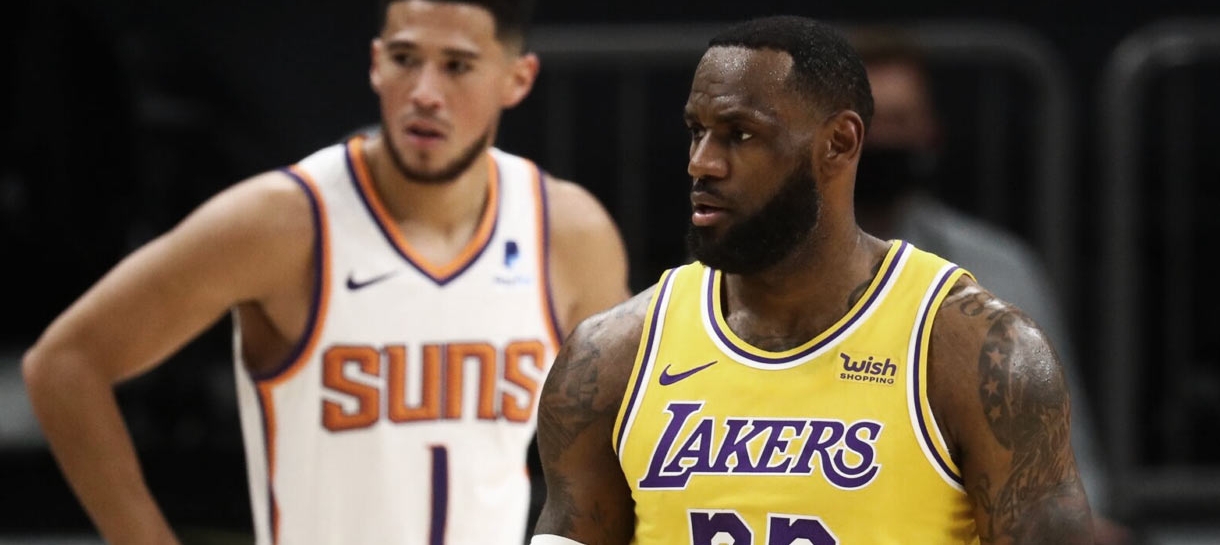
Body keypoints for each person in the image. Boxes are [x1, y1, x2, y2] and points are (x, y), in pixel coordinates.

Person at [21, 0, 629, 543]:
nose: (424, 91)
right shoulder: (283, 222)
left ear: (517, 79)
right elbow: (65, 364)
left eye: (457, 66)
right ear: (374, 63)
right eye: (404, 58)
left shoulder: (568, 233)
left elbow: (632, 422)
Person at [531, 15, 1092, 544]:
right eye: (696, 131)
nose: (702, 162)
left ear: (839, 143)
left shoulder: (974, 352)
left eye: (740, 134)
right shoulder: (610, 358)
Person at [850, 27, 1133, 544]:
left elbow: (1057, 442)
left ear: (931, 134)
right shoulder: (762, 271)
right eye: (867, 124)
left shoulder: (998, 267)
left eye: (899, 121)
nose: (883, 141)